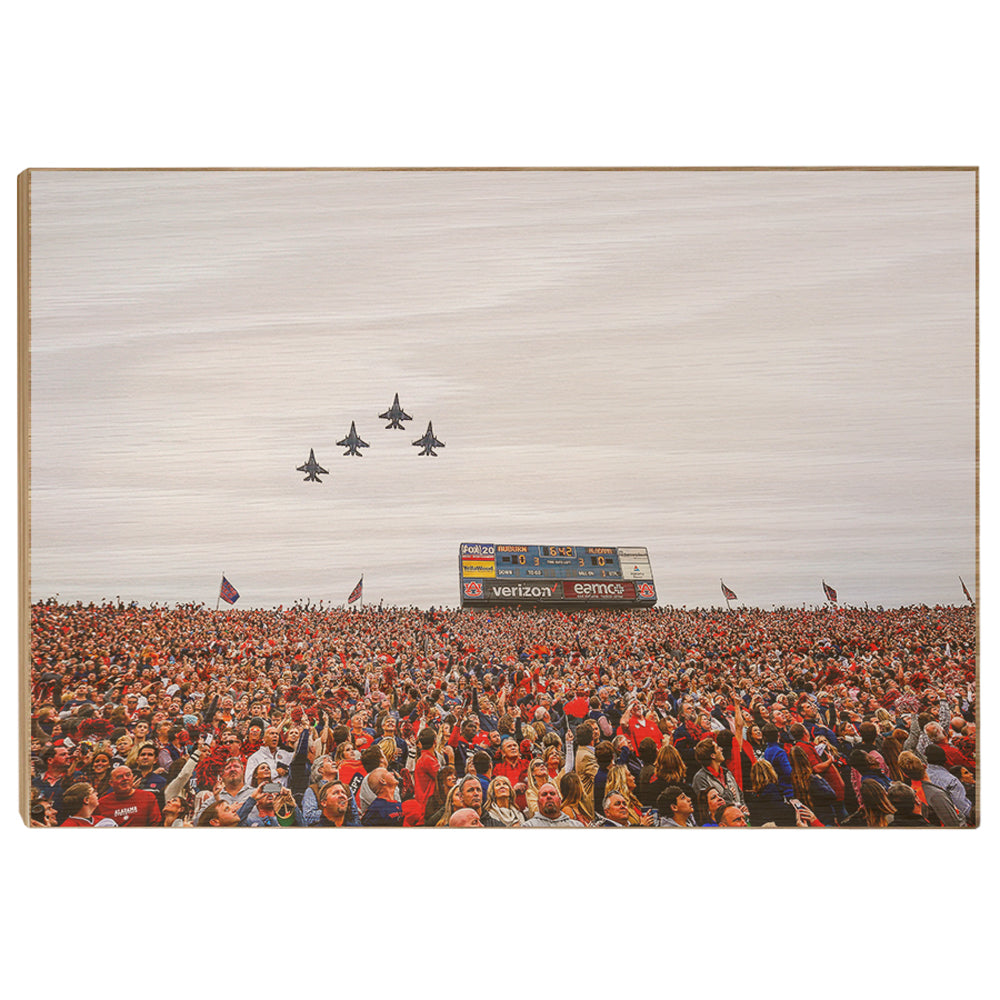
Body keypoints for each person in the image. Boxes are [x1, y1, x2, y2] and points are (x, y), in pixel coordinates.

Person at [96, 766, 163, 827]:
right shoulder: (102, 803)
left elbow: (155, 824)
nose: (125, 778)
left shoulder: (148, 797)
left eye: (128, 775)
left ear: (132, 778)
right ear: (111, 783)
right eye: (119, 777)